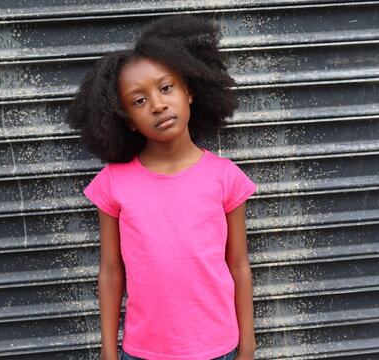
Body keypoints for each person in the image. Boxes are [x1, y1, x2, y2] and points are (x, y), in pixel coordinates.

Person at [66, 14, 257, 360]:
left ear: (190, 91)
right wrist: (108, 352)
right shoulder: (113, 182)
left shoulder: (225, 177)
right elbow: (111, 271)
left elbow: (239, 264)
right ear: (127, 122)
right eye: (138, 100)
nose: (157, 104)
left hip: (218, 348)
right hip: (143, 351)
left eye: (166, 87)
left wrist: (248, 344)